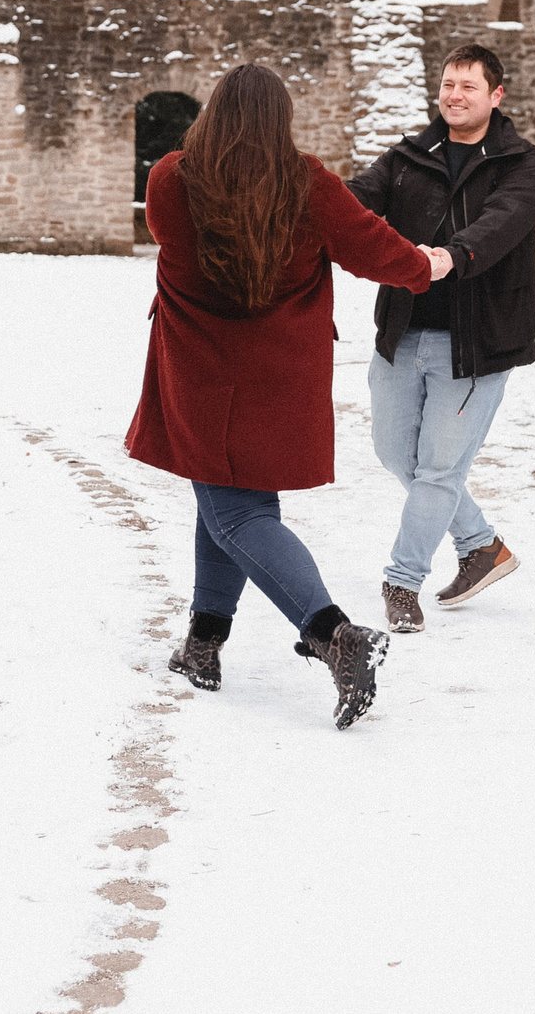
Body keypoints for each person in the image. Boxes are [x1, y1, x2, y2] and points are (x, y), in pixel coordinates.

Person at [125, 63, 451, 729]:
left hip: (201, 373)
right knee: (224, 502)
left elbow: (168, 235)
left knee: (236, 513)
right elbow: (372, 248)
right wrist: (427, 265)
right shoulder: (307, 184)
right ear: (282, 122)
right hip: (279, 378)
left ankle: (333, 633)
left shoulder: (170, 179)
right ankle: (204, 644)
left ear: (213, 112)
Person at [347, 43, 535, 634]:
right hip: (402, 331)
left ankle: (401, 581)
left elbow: (503, 222)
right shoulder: (411, 154)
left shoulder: (521, 163)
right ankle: (481, 545)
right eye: (448, 85)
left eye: (468, 86)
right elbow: (357, 200)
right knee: (394, 453)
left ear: (496, 95)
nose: (455, 96)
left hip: (476, 343)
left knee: (437, 469)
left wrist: (451, 257)